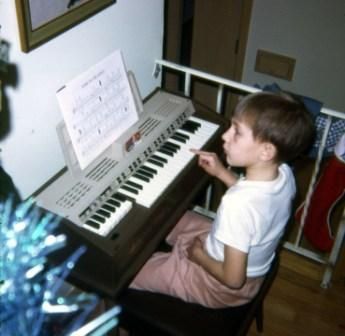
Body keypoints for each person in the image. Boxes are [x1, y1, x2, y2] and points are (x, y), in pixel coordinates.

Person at [130, 91, 315, 308]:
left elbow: (233, 280)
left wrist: (197, 255)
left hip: (218, 286)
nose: (225, 136)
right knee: (169, 216)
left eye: (237, 131)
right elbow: (256, 203)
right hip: (236, 259)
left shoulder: (236, 205)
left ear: (266, 151)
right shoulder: (284, 173)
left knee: (131, 274)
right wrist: (221, 173)